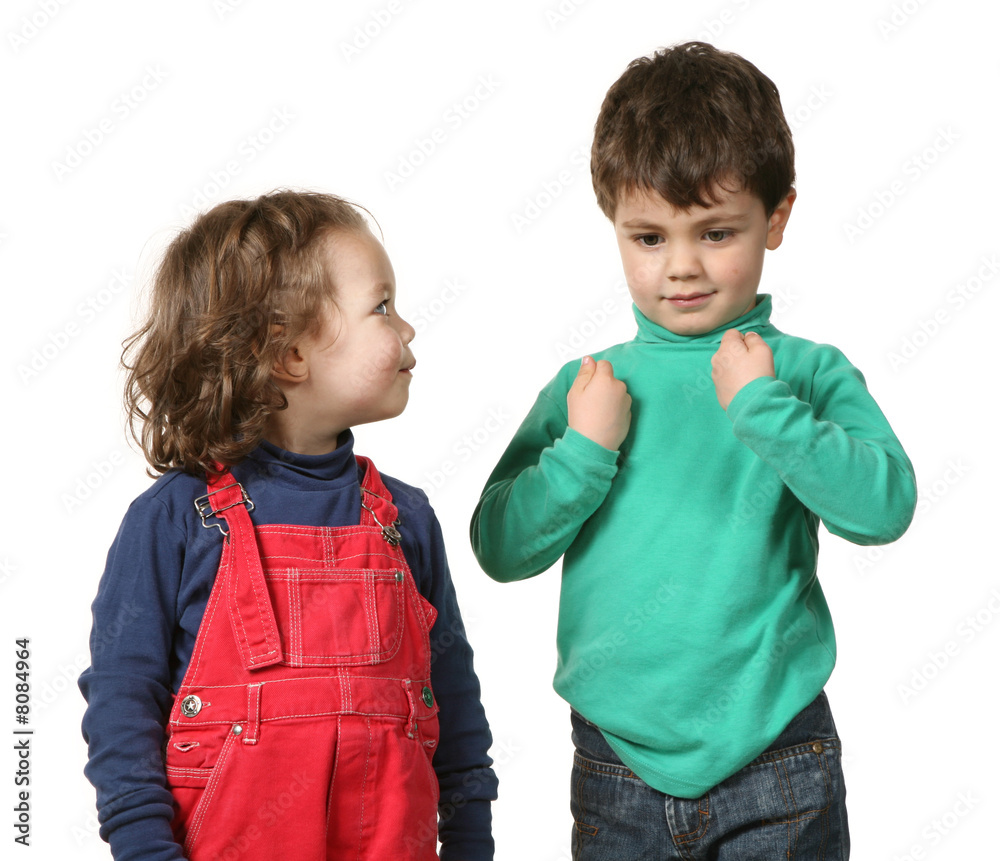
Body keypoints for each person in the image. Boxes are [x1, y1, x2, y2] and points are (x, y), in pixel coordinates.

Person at [471, 42, 915, 859]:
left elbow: (885, 505)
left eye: (716, 232)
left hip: (777, 754)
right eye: (648, 237)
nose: (681, 266)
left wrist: (766, 410)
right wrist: (582, 452)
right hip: (616, 764)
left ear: (776, 218)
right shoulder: (590, 385)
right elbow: (498, 546)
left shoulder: (804, 374)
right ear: (612, 223)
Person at [79, 191, 497, 861]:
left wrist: (471, 837)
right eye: (382, 306)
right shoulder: (175, 521)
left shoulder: (406, 521)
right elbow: (123, 699)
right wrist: (144, 846)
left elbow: (452, 699)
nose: (409, 329)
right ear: (290, 353)